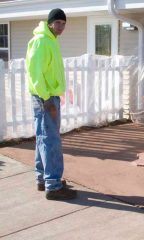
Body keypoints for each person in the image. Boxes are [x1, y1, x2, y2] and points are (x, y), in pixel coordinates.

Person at [26, 8, 77, 200]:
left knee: (43, 138)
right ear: (49, 23)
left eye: (64, 23)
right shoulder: (41, 41)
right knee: (51, 140)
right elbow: (35, 73)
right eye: (58, 23)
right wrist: (47, 98)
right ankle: (53, 186)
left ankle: (43, 179)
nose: (61, 27)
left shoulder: (50, 40)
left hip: (46, 96)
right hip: (45, 98)